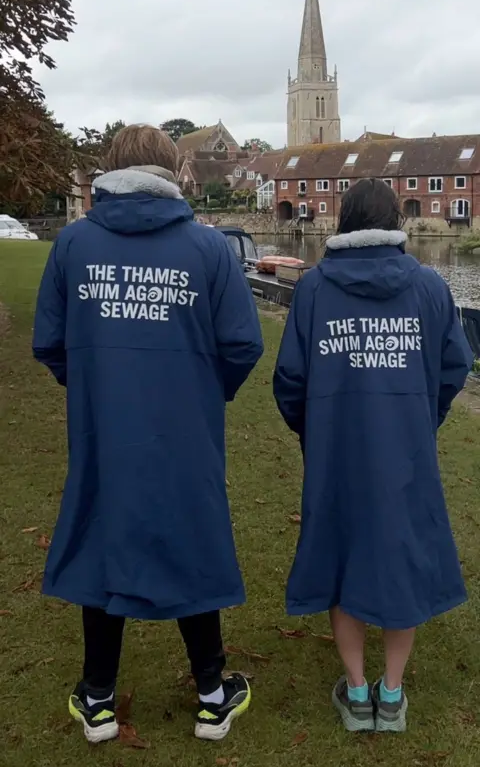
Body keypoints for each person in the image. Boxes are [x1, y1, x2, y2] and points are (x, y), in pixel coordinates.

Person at [33, 124, 263, 744]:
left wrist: (94, 384)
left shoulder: (74, 244)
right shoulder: (208, 248)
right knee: (190, 536)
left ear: (111, 168)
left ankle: (98, 698)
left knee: (104, 535)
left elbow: (50, 342)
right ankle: (212, 694)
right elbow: (243, 343)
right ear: (170, 171)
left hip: (103, 428)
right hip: (185, 432)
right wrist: (201, 391)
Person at [273, 178, 473, 734]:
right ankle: (392, 692)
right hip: (406, 453)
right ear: (395, 223)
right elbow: (455, 366)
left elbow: (290, 381)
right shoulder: (429, 287)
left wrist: (317, 431)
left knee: (342, 556)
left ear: (344, 222)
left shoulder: (314, 288)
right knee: (402, 555)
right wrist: (421, 418)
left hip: (336, 453)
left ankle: (358, 692)